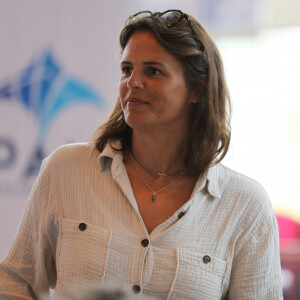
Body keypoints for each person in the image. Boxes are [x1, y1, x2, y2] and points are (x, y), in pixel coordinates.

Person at [0, 9, 283, 300]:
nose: (132, 82)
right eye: (126, 69)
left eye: (153, 71)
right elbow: (14, 284)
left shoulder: (246, 206)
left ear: (197, 89)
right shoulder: (65, 169)